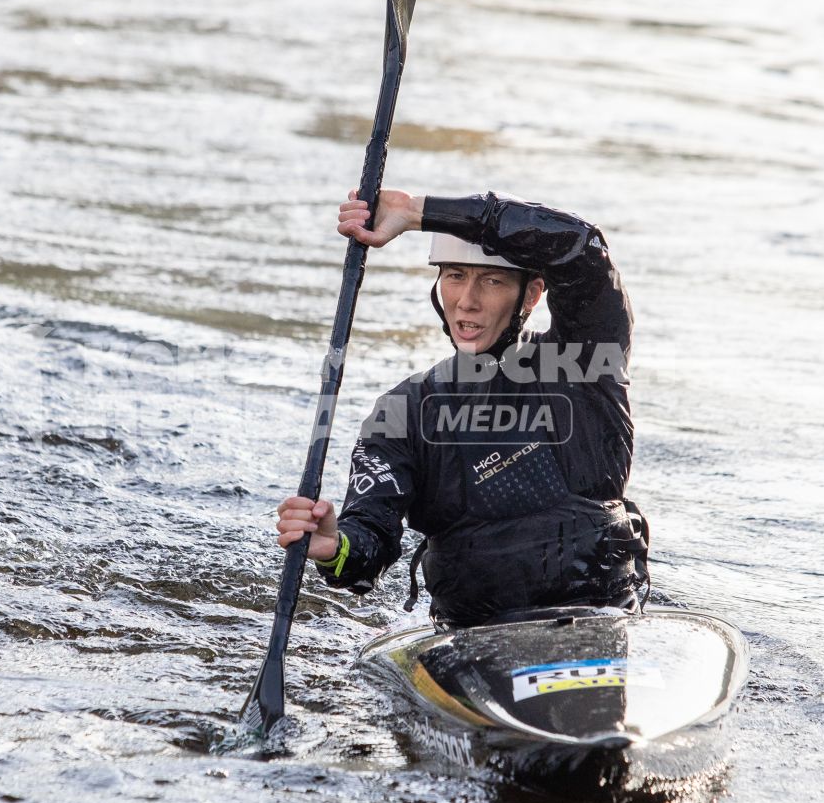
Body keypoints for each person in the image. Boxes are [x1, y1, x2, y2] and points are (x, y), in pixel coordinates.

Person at [274, 189, 647, 627]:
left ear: (531, 295)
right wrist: (335, 546)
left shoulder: (585, 363)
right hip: (471, 636)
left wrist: (418, 213)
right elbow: (367, 549)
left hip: (605, 618)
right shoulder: (402, 412)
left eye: (491, 280)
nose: (466, 300)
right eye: (454, 275)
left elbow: (581, 246)